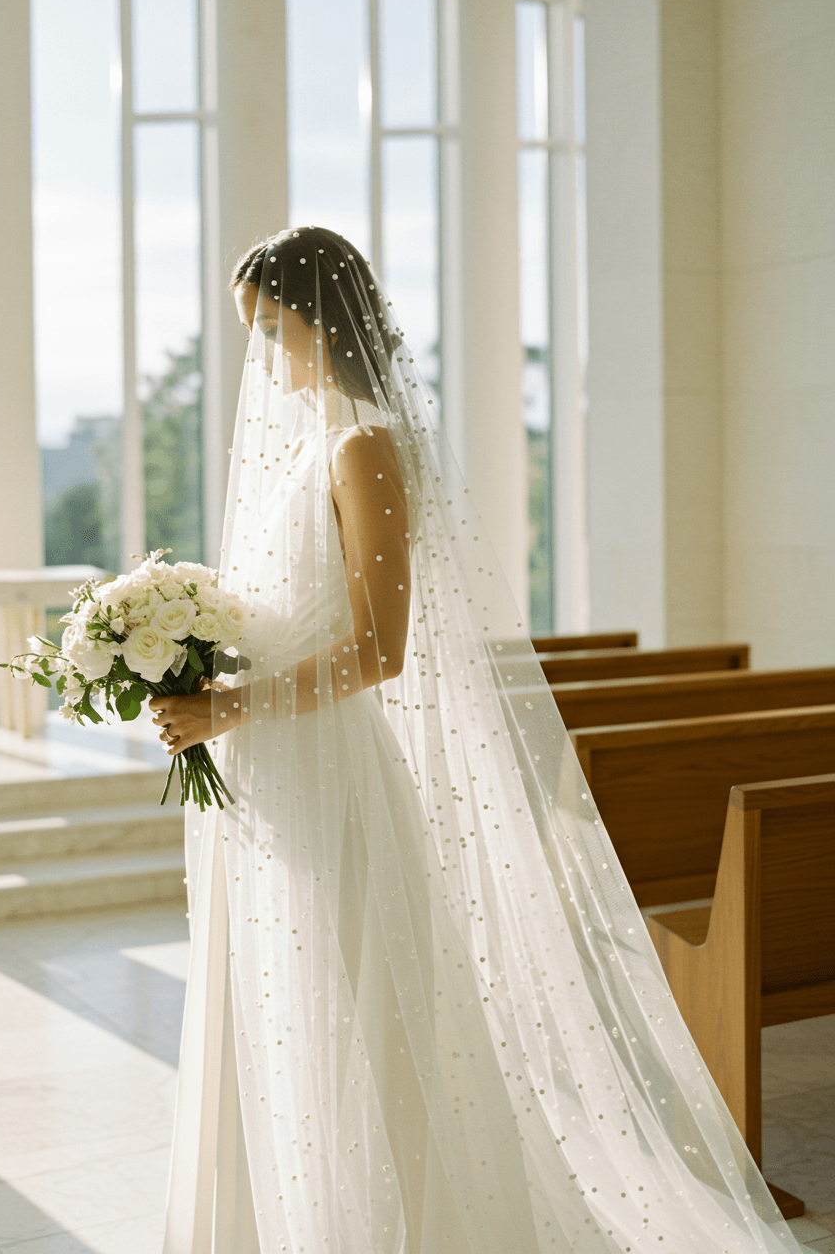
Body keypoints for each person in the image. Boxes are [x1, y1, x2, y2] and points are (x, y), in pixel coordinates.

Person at [151, 227, 799, 1254]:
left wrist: (236, 705)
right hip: (272, 768)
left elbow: (378, 646)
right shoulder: (293, 453)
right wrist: (190, 656)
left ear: (321, 322)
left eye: (272, 329)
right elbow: (282, 609)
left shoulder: (362, 445)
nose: (263, 357)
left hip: (335, 771)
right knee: (269, 1004)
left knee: (360, 1016)